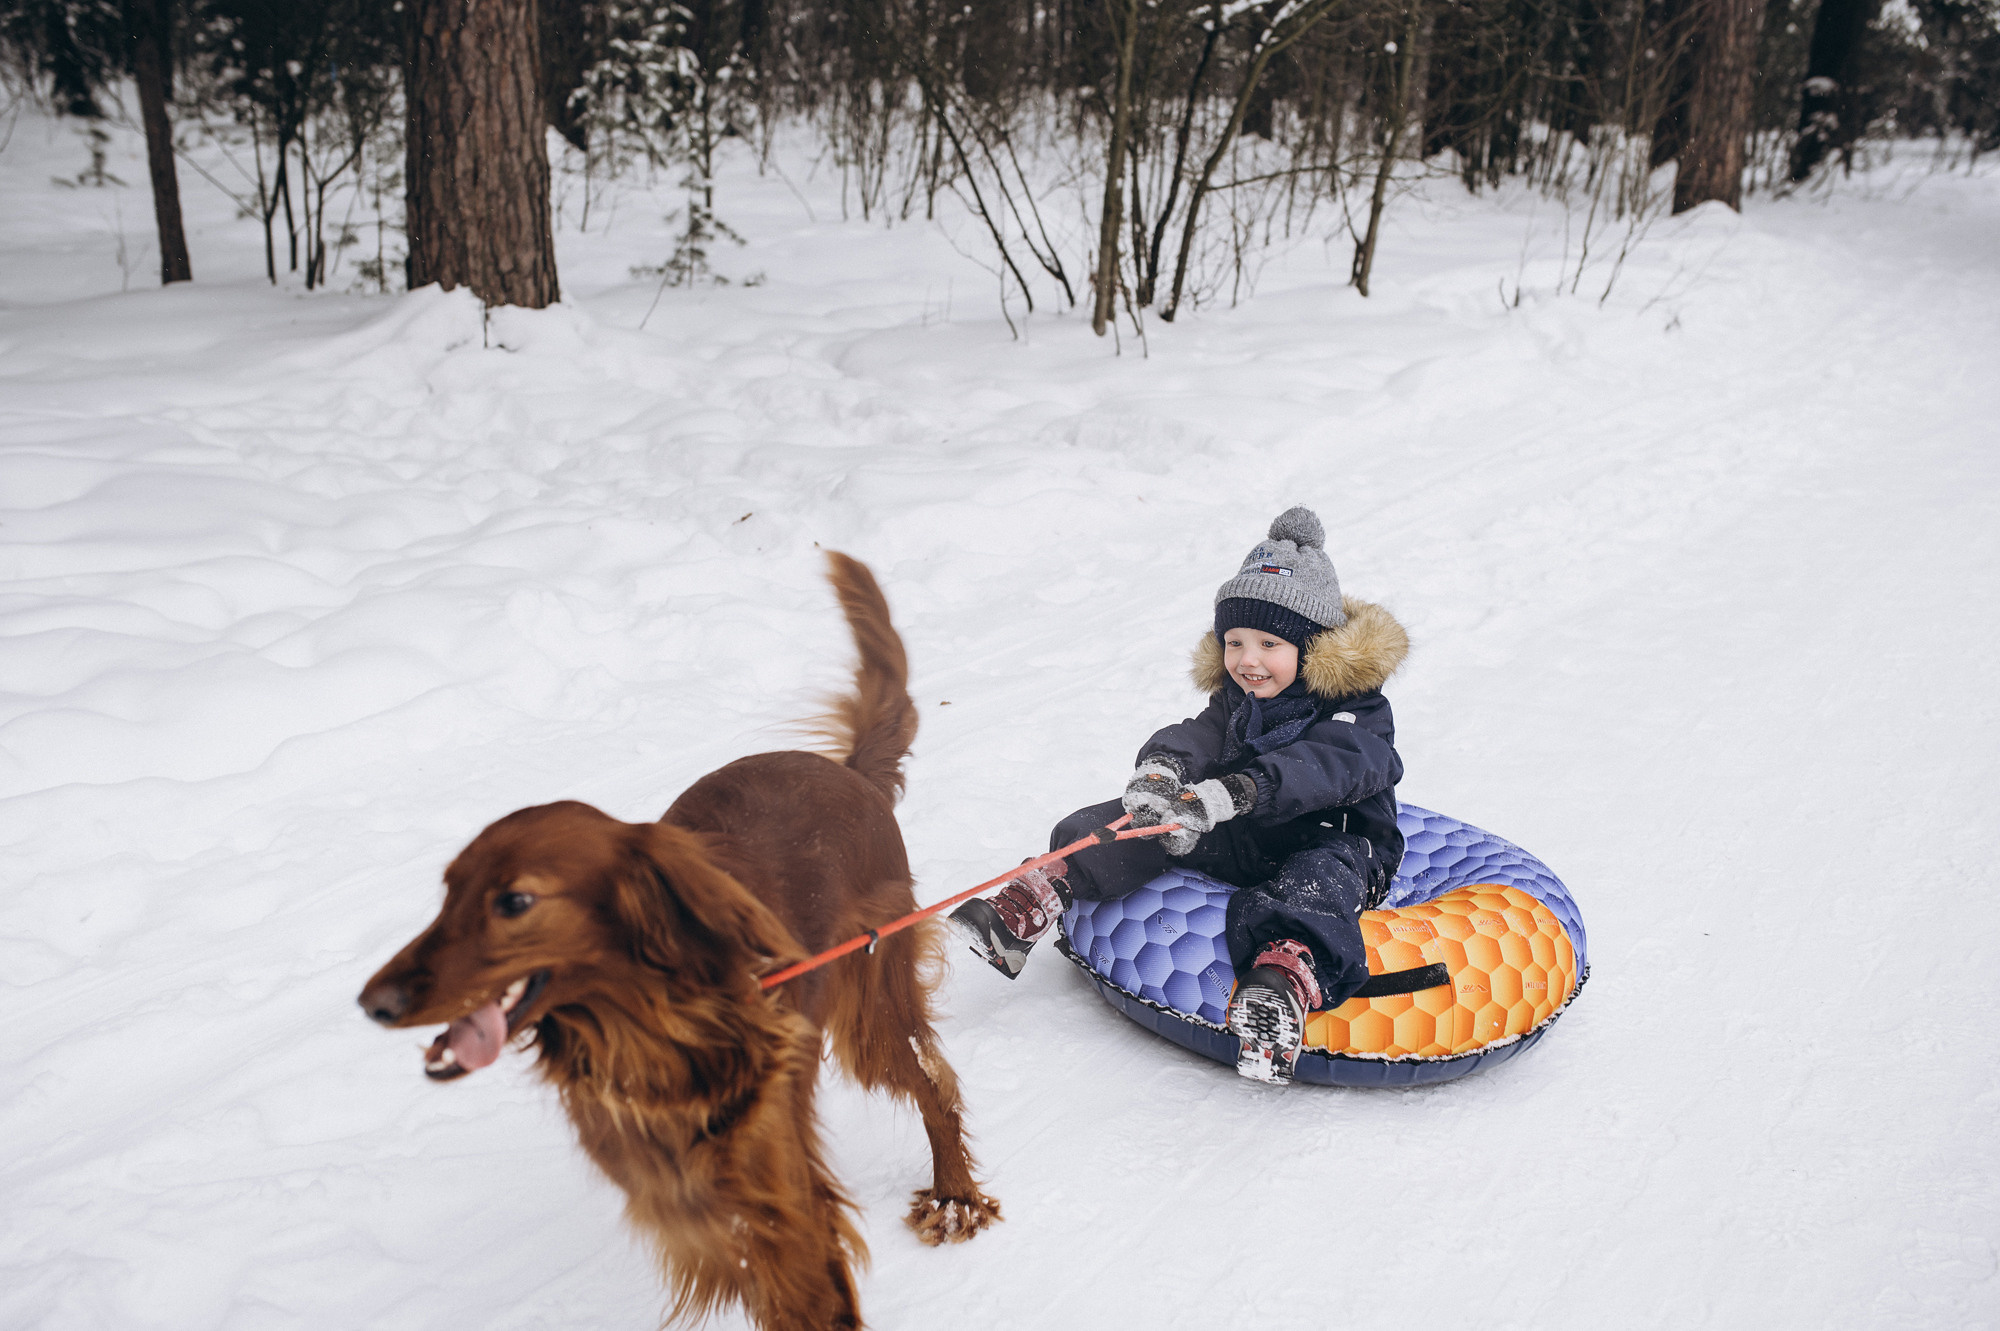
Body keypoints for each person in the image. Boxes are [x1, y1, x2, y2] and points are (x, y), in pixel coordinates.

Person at [950, 506, 1410, 1083]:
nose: (1248, 660)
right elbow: (1200, 734)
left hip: (1335, 840)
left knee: (1316, 880)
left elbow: (1340, 763)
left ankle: (1281, 983)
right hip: (1244, 827)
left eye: (1269, 643)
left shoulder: (1356, 708)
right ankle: (1043, 892)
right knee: (1138, 823)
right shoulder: (1240, 697)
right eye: (1235, 641)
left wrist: (1244, 788)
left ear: (1314, 649)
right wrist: (1164, 772)